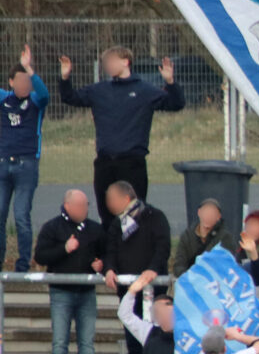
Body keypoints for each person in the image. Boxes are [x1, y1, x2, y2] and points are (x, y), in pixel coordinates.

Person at [57, 47, 185, 222]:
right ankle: (109, 249)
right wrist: (65, 77)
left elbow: (176, 104)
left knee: (134, 216)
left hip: (132, 164)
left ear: (126, 61)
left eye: (112, 60)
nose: (108, 66)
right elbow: (70, 97)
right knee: (107, 216)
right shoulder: (99, 90)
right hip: (105, 164)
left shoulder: (144, 90)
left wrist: (170, 82)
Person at [34, 190, 104, 354]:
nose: (84, 210)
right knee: (60, 343)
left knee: (87, 344)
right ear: (67, 205)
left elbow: (106, 253)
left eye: (86, 205)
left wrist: (101, 264)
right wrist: (64, 248)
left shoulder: (94, 229)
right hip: (61, 293)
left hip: (86, 293)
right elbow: (40, 256)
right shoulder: (52, 227)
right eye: (80, 205)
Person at [101, 180, 172, 354]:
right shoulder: (117, 224)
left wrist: (153, 269)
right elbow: (110, 250)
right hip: (128, 291)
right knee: (132, 340)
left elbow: (163, 246)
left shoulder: (154, 217)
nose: (108, 204)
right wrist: (109, 269)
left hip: (153, 292)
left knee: (153, 338)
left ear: (125, 198)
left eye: (112, 199)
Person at [0, 46, 48, 270]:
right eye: (20, 81)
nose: (24, 86)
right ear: (10, 82)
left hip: (26, 165)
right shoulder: (4, 100)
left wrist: (30, 69)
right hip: (2, 164)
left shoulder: (36, 103)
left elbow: (45, 94)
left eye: (27, 81)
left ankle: (23, 265)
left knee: (21, 216)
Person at [171, 197, 239, 277]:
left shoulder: (225, 238)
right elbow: (179, 264)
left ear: (218, 217)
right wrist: (190, 277)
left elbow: (228, 265)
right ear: (199, 212)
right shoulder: (187, 236)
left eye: (212, 214)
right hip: (190, 282)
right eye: (206, 212)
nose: (208, 216)